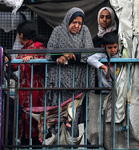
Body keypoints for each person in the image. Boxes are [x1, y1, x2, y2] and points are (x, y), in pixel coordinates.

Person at [46, 7, 95, 138]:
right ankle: (56, 141)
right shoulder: (58, 31)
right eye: (74, 22)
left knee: (73, 115)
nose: (77, 26)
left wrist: (72, 56)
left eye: (80, 23)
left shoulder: (85, 32)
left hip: (77, 81)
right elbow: (49, 51)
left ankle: (70, 142)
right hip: (59, 81)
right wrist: (59, 57)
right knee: (58, 111)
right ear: (68, 20)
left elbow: (89, 52)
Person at [7, 20, 47, 145]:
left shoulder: (38, 46)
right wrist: (8, 59)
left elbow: (45, 59)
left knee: (34, 119)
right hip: (24, 92)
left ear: (21, 35)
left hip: (35, 92)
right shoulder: (24, 49)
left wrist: (33, 58)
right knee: (24, 120)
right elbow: (14, 66)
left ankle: (36, 145)